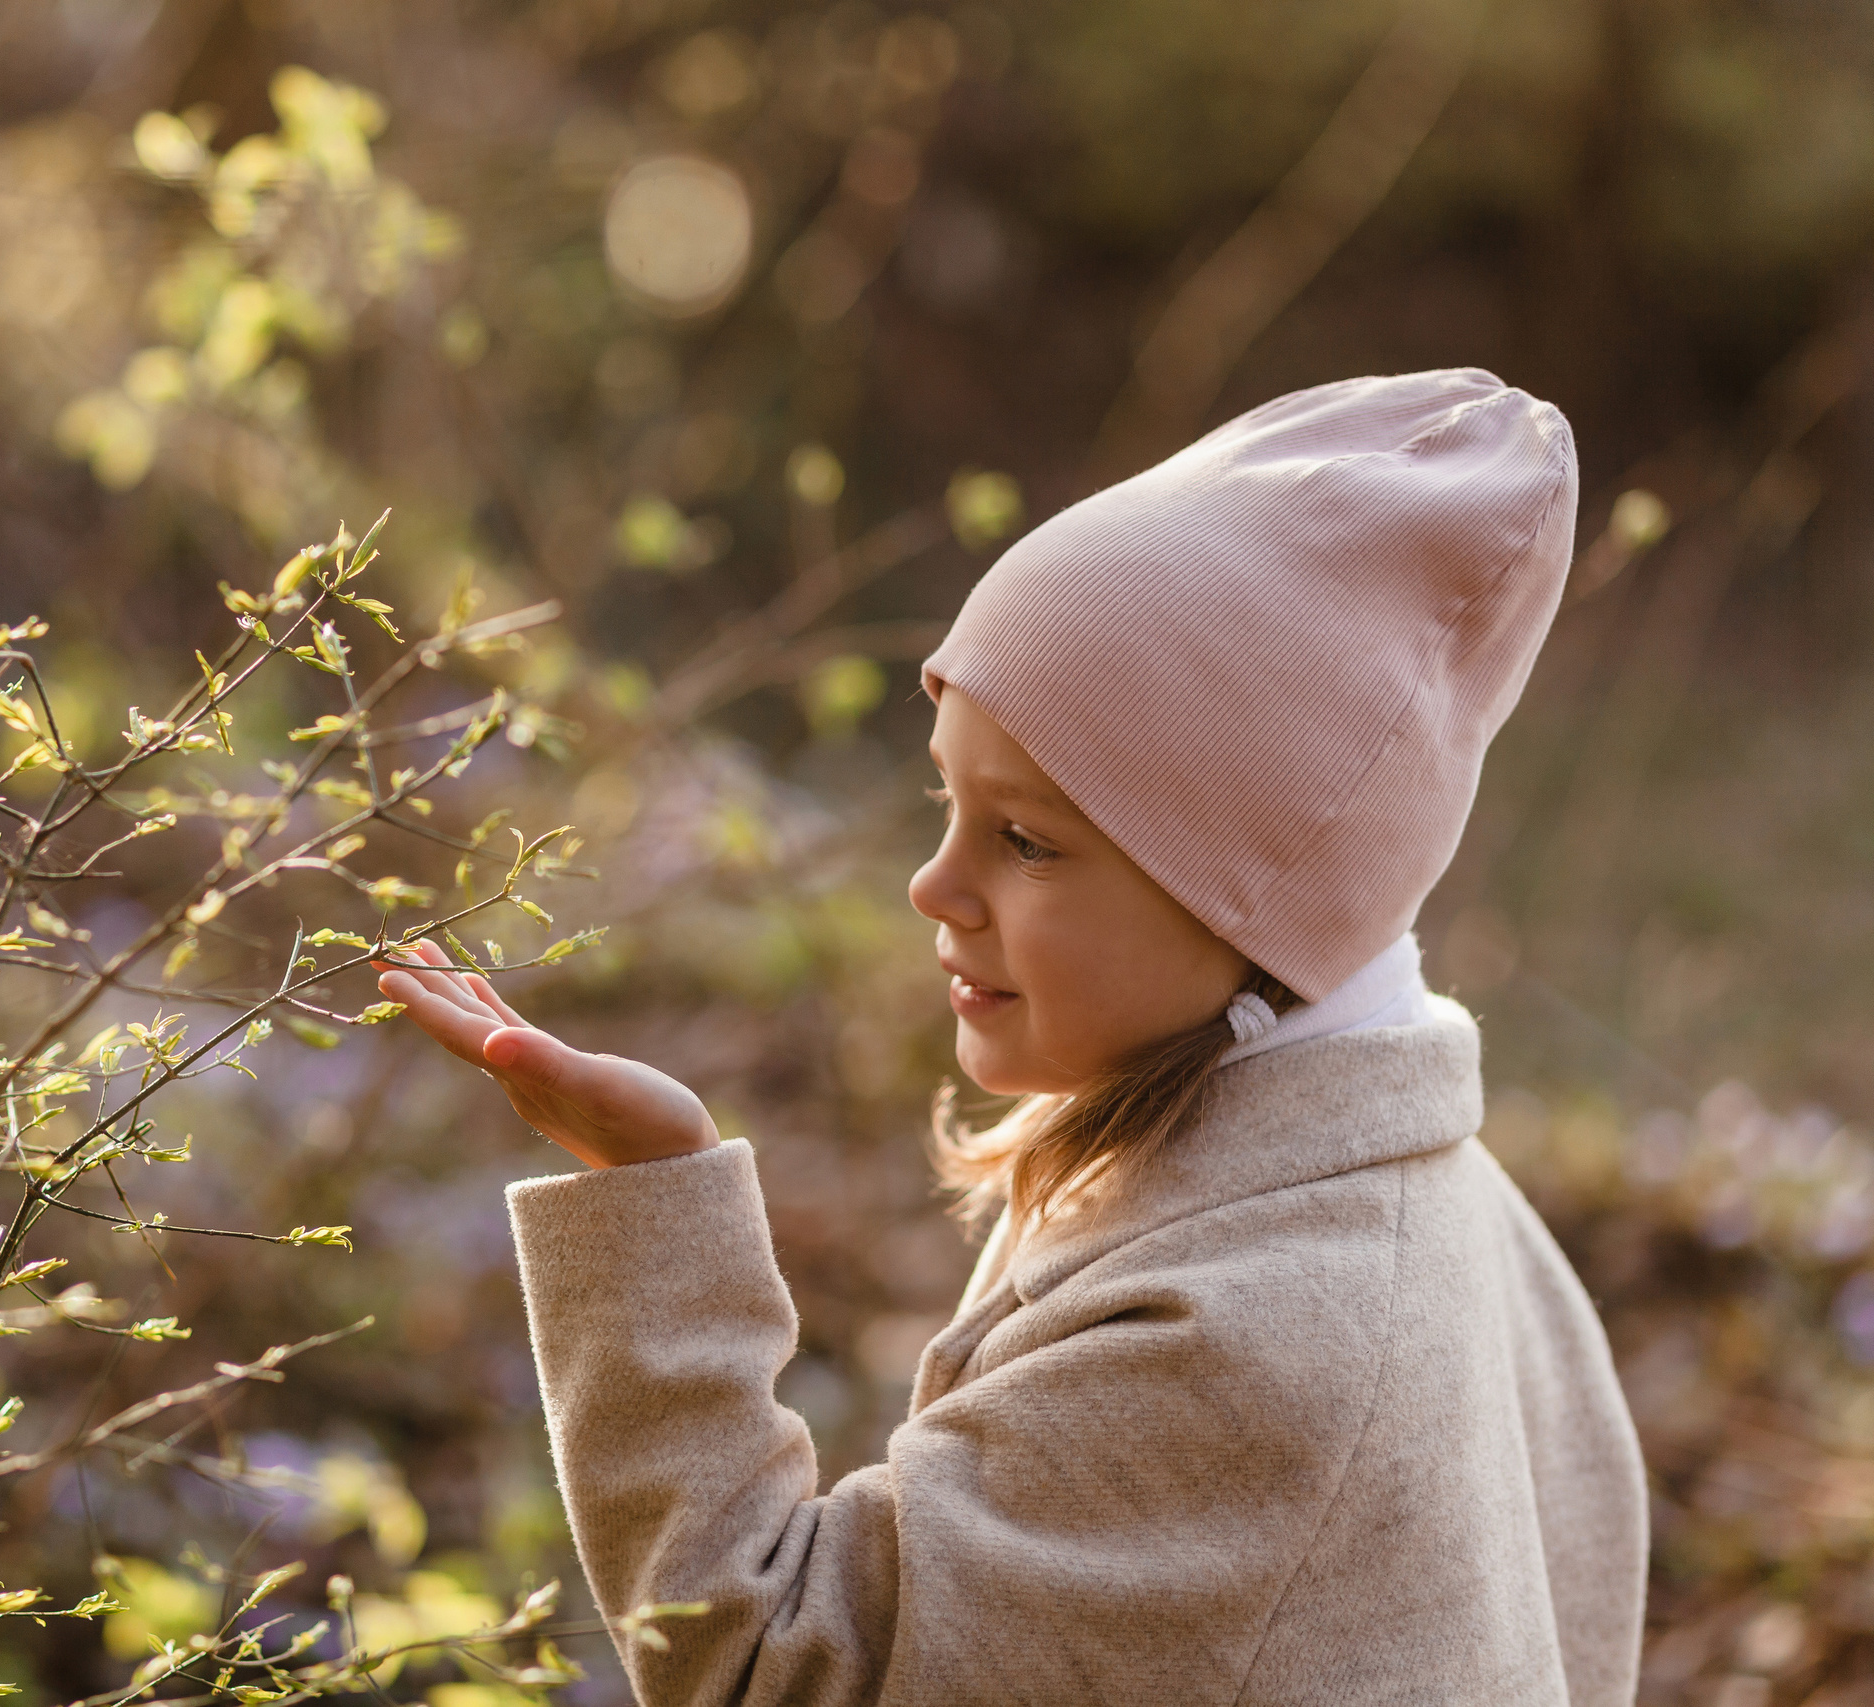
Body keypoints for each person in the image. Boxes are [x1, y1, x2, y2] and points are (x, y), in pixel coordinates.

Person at [377, 369, 1647, 1706]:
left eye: (1026, 838)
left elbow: (775, 1672)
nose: (933, 886)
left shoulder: (1247, 1349)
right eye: (948, 801)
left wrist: (652, 1199)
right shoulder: (1430, 1206)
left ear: (1252, 897)